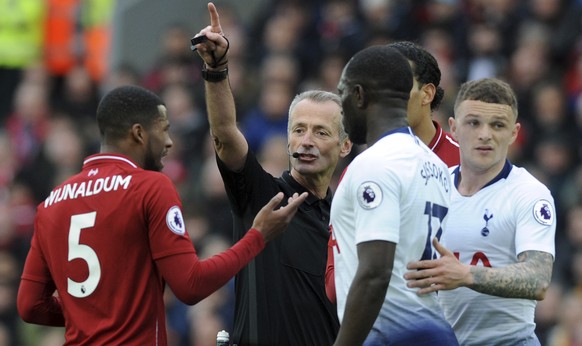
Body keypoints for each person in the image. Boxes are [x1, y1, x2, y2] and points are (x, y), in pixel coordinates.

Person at [16, 85, 307, 345]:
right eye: (164, 129)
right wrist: (257, 236)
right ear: (139, 133)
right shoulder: (149, 187)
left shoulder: (52, 202)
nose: (169, 141)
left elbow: (30, 305)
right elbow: (190, 285)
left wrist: (88, 317)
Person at [192, 3, 352, 345]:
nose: (306, 141)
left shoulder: (350, 221)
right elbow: (224, 132)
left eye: (321, 133)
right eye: (298, 130)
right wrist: (217, 70)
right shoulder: (261, 196)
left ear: (345, 146)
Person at [404, 78, 556, 345]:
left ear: (514, 133)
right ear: (453, 128)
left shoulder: (529, 193)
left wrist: (466, 275)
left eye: (498, 125)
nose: (485, 134)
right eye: (473, 123)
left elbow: (538, 278)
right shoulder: (431, 188)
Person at [331, 45, 458, 345]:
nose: (340, 105)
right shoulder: (437, 166)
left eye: (342, 93)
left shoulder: (376, 164)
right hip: (434, 329)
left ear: (359, 95)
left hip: (392, 336)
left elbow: (375, 272)